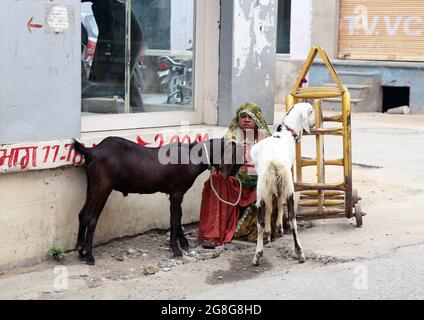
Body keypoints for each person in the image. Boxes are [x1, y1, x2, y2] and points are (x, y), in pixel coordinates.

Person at [198, 102, 272, 248]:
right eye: (242, 117)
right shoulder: (231, 139)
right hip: (236, 182)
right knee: (216, 179)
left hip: (258, 182)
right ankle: (213, 234)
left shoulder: (267, 141)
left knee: (269, 182)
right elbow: (220, 166)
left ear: (257, 120)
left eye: (250, 117)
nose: (246, 120)